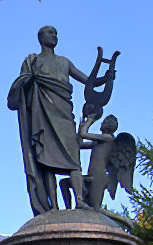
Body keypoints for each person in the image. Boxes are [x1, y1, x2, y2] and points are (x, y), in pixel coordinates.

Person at [8, 25, 112, 215]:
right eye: (50, 33)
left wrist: (105, 79)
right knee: (46, 160)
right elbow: (21, 84)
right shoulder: (33, 61)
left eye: (56, 33)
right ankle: (53, 206)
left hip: (64, 114)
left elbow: (87, 80)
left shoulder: (64, 62)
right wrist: (31, 79)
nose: (54, 36)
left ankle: (80, 201)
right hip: (42, 115)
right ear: (40, 38)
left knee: (74, 159)